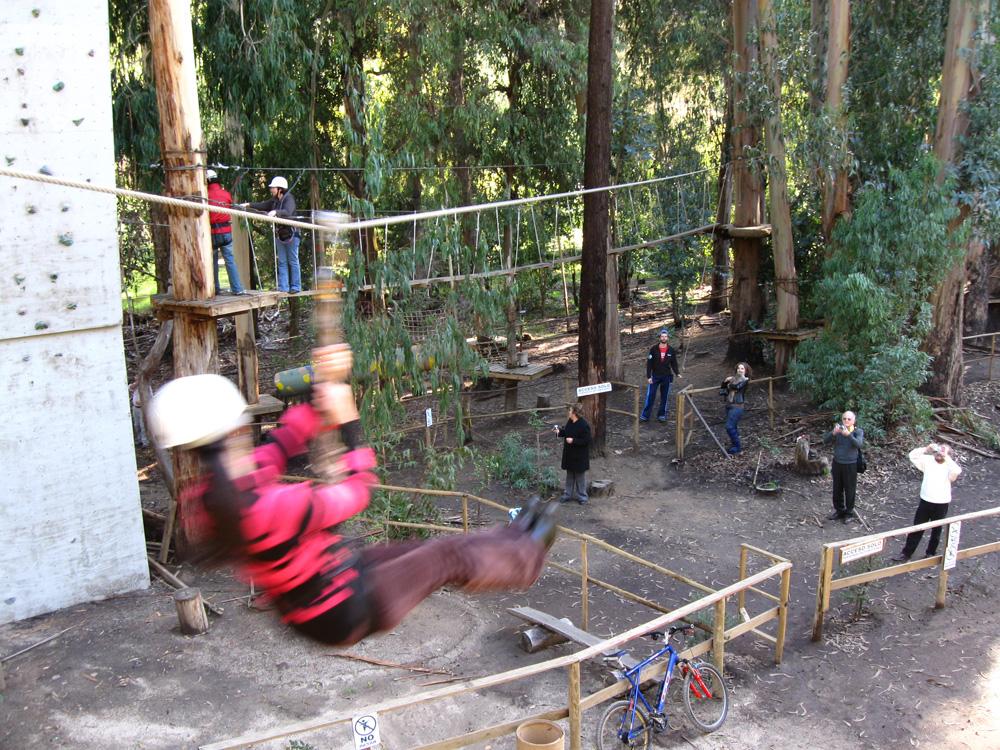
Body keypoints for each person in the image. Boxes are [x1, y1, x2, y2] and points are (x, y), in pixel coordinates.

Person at [146, 344, 557, 647]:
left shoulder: (215, 494)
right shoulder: (265, 509)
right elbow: (358, 492)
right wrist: (349, 423)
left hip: (331, 585)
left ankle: (515, 534)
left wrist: (321, 398)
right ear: (232, 427)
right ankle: (529, 552)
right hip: (341, 607)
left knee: (432, 546)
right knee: (445, 558)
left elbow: (279, 448)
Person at [891, 443, 961, 562]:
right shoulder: (928, 461)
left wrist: (946, 456)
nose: (939, 454)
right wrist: (926, 449)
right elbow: (912, 455)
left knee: (936, 530)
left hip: (941, 503)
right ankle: (906, 553)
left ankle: (931, 552)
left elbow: (957, 470)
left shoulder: (950, 466)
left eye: (943, 453)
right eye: (938, 452)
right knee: (917, 528)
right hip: (925, 501)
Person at [243, 176, 301, 293]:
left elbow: (287, 212)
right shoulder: (274, 201)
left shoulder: (289, 198)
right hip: (280, 235)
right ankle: (284, 287)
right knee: (282, 261)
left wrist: (276, 212)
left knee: (293, 260)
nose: (271, 190)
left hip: (291, 234)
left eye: (273, 188)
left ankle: (295, 287)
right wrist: (248, 205)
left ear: (280, 189)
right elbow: (262, 205)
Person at [206, 169, 244, 295]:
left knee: (213, 262)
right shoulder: (226, 194)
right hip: (226, 233)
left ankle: (215, 288)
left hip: (212, 233)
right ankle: (237, 288)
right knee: (230, 260)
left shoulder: (205, 196)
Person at [822, 410, 864, 522]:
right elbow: (825, 440)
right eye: (844, 419)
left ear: (854, 421)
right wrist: (833, 433)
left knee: (850, 489)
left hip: (850, 464)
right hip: (837, 463)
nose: (846, 421)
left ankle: (849, 513)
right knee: (837, 488)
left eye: (849, 419)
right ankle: (839, 510)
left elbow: (859, 444)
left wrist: (849, 435)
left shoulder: (857, 431)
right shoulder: (839, 430)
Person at [640, 328, 680, 423]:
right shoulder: (654, 349)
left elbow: (674, 363)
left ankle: (661, 415)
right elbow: (649, 363)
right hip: (655, 376)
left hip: (666, 376)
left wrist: (677, 373)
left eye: (665, 336)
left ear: (668, 338)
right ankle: (645, 415)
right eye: (662, 336)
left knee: (664, 397)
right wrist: (649, 376)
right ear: (660, 337)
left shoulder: (671, 350)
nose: (664, 338)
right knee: (651, 395)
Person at [554, 403, 591, 505]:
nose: (568, 412)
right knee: (569, 475)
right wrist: (559, 432)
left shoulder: (583, 425)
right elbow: (566, 432)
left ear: (574, 412)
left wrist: (574, 440)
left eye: (570, 411)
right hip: (570, 454)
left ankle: (582, 497)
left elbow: (586, 440)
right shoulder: (570, 422)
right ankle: (567, 494)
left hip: (579, 456)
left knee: (580, 477)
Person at [720, 362, 750, 455]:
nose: (739, 370)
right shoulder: (733, 379)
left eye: (742, 369)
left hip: (737, 406)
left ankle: (737, 447)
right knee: (733, 426)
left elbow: (737, 387)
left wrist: (729, 383)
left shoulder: (745, 380)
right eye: (738, 368)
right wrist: (725, 381)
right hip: (729, 405)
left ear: (746, 371)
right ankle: (735, 446)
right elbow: (723, 390)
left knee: (729, 427)